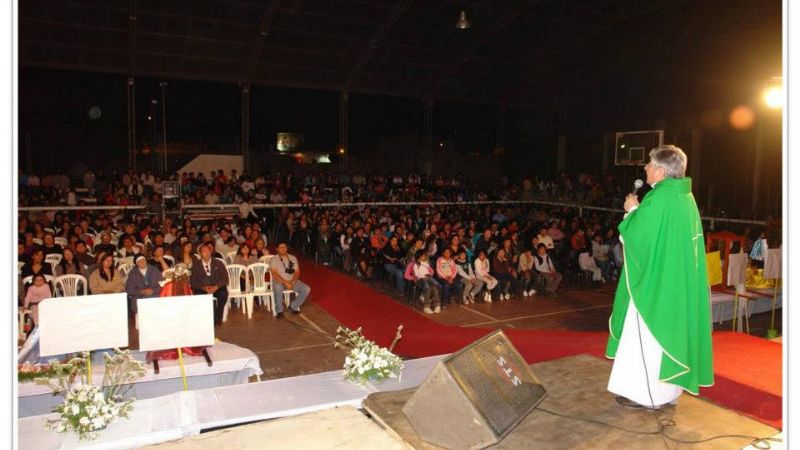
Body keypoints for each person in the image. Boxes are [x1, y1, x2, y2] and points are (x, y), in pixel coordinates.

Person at [606, 145, 713, 410]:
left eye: (650, 165)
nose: (645, 168)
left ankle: (646, 396)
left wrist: (632, 210)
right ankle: (666, 394)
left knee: (648, 337)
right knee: (670, 336)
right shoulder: (685, 198)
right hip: (674, 285)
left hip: (656, 288)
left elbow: (638, 239)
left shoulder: (660, 199)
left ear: (662, 171)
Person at [190, 243, 230, 326]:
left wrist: (216, 287)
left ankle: (218, 317)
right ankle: (205, 318)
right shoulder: (195, 265)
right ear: (200, 254)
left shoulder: (218, 263)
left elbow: (225, 279)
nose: (207, 253)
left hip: (216, 287)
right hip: (202, 288)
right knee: (198, 295)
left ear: (211, 252)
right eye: (204, 251)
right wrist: (203, 288)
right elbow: (193, 282)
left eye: (208, 251)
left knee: (223, 294)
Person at [270, 241, 311, 318]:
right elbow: (274, 274)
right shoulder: (273, 259)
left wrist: (293, 281)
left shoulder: (293, 258)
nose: (283, 249)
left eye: (284, 247)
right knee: (277, 287)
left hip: (292, 281)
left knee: (306, 289)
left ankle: (293, 306)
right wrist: (286, 282)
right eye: (281, 247)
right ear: (277, 249)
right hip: (279, 281)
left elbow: (297, 272)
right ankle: (279, 311)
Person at [413, 250, 440, 314]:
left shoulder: (426, 263)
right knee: (428, 288)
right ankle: (426, 307)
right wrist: (424, 276)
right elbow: (416, 274)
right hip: (420, 280)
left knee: (434, 287)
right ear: (419, 257)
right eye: (424, 256)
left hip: (428, 278)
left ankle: (437, 305)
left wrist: (429, 275)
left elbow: (432, 271)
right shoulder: (415, 265)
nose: (425, 257)